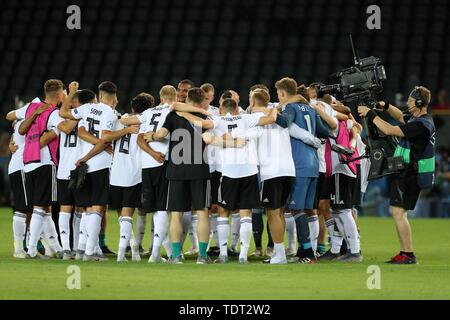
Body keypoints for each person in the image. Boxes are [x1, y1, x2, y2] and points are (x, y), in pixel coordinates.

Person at [178, 97, 278, 264]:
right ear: (238, 108)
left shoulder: (217, 119)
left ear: (221, 108)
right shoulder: (246, 118)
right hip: (249, 170)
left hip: (228, 172)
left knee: (223, 211)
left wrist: (183, 113)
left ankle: (223, 254)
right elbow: (271, 119)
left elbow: (200, 124)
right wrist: (274, 109)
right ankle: (243, 255)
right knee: (246, 212)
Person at [358, 86, 435, 264]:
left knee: (398, 213)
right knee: (399, 213)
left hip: (411, 173)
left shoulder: (420, 125)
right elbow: (400, 116)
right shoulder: (421, 120)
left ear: (419, 102)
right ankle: (405, 253)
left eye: (410, 100)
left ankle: (408, 254)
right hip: (410, 171)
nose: (407, 103)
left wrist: (370, 114)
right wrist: (384, 106)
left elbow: (389, 130)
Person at [144, 88, 214, 264]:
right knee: (203, 213)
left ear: (187, 99)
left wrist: (151, 136)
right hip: (199, 169)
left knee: (176, 214)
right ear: (202, 101)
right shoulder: (205, 117)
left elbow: (161, 135)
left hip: (176, 169)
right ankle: (203, 256)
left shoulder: (174, 115)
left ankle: (176, 256)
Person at [60, 81, 120, 261]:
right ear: (113, 97)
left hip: (84, 166)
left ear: (100, 95)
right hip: (100, 163)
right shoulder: (111, 113)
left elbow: (63, 113)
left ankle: (81, 249)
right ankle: (90, 252)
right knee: (97, 208)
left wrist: (70, 93)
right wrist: (122, 132)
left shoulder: (85, 109)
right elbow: (105, 138)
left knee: (86, 208)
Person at [14, 80, 67, 259]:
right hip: (45, 162)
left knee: (45, 208)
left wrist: (34, 116)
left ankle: (57, 248)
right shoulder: (54, 113)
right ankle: (30, 249)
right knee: (40, 207)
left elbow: (21, 129)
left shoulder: (31, 108)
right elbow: (47, 138)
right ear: (59, 95)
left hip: (28, 162)